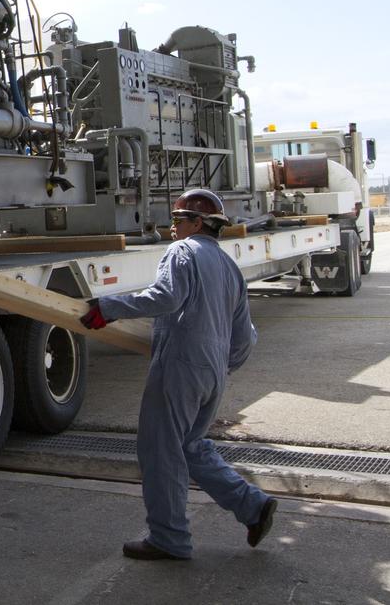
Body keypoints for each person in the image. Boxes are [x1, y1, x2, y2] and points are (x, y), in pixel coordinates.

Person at [79, 189, 277, 561]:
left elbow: (166, 297)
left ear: (197, 223)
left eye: (177, 220)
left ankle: (169, 538)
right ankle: (253, 506)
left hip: (182, 369)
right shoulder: (229, 266)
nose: (171, 228)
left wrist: (107, 307)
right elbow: (246, 336)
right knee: (191, 447)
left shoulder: (182, 252)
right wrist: (218, 364)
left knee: (161, 451)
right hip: (213, 372)